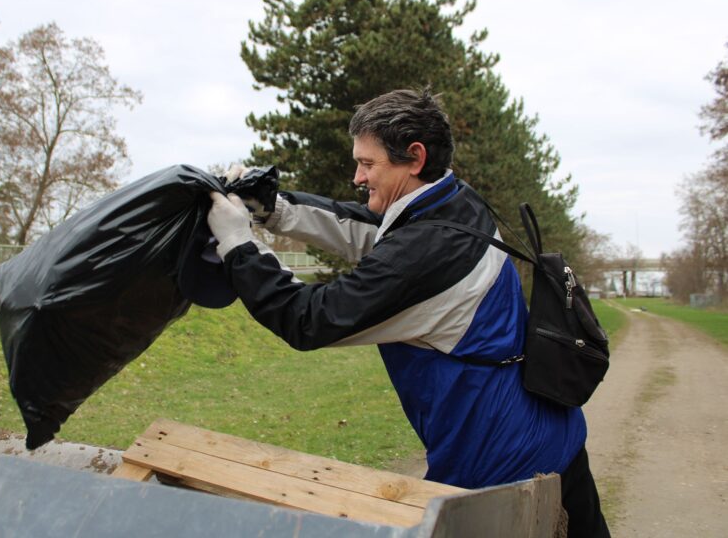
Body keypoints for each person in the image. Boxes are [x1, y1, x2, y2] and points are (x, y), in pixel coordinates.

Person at [207, 88, 609, 537]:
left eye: (367, 163)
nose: (358, 177)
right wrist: (274, 208)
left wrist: (238, 245)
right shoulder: (454, 201)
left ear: (414, 158)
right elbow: (370, 229)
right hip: (554, 433)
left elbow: (309, 319)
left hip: (503, 471)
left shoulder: (424, 258)